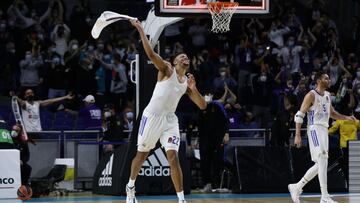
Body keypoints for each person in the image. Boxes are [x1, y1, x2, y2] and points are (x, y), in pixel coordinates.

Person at [126, 19, 206, 203]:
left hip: (170, 120)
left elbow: (202, 106)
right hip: (152, 117)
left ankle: (181, 199)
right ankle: (130, 186)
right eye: (181, 57)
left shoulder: (187, 82)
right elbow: (150, 53)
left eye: (187, 57)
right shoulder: (166, 70)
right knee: (142, 155)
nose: (185, 58)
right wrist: (140, 29)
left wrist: (194, 89)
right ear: (175, 62)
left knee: (173, 157)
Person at [288, 71, 357, 203]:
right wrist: (297, 135)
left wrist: (347, 118)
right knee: (321, 159)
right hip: (314, 128)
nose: (329, 80)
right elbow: (299, 115)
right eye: (326, 78)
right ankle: (324, 196)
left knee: (321, 162)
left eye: (329, 78)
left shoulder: (327, 95)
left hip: (324, 130)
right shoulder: (311, 95)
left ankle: (297, 186)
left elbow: (333, 113)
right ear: (319, 81)